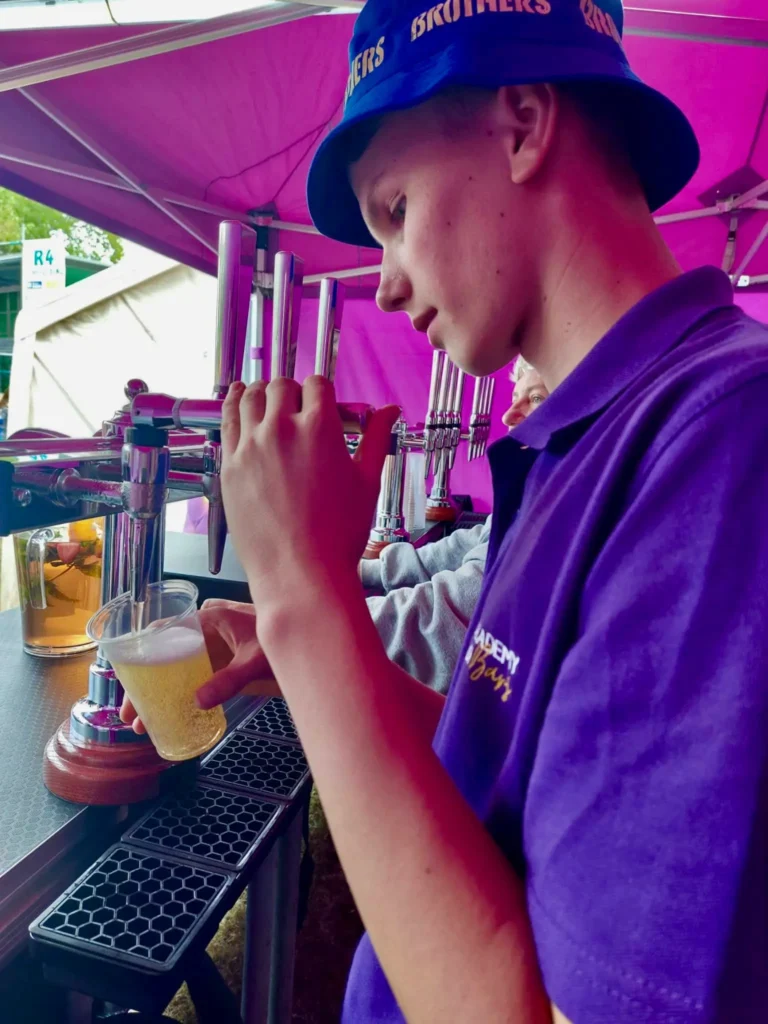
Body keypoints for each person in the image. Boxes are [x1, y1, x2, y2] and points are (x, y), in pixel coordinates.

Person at [126, 2, 768, 1021]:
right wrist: (318, 653)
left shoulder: (725, 440)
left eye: (393, 209)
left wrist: (304, 600)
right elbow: (511, 763)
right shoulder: (573, 439)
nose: (381, 286)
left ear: (521, 125)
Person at [363, 357, 548, 690]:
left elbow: (437, 623)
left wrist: (309, 618)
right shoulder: (540, 487)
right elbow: (475, 543)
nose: (508, 415)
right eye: (515, 397)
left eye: (536, 398)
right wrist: (369, 570)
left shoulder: (559, 509)